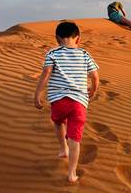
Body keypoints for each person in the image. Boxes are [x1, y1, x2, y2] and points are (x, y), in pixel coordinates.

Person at [34, 21, 99, 184]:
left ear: (57, 39)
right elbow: (95, 76)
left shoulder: (52, 53)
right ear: (78, 39)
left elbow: (46, 72)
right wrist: (94, 89)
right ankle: (71, 173)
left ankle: (63, 148)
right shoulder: (84, 54)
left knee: (57, 122)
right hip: (79, 102)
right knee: (75, 139)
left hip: (58, 100)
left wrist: (37, 93)